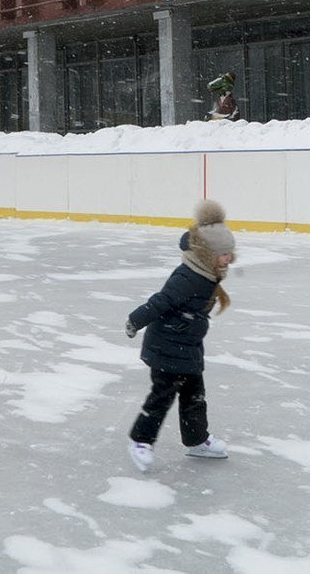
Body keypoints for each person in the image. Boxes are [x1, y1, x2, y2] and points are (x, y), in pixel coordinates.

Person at [124, 199, 237, 471]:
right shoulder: (188, 278)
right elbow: (161, 301)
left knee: (194, 394)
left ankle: (197, 440)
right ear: (209, 254)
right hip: (167, 344)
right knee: (162, 394)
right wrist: (135, 320)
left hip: (187, 344)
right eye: (224, 254)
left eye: (230, 253)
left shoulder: (208, 273)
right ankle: (140, 441)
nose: (229, 259)